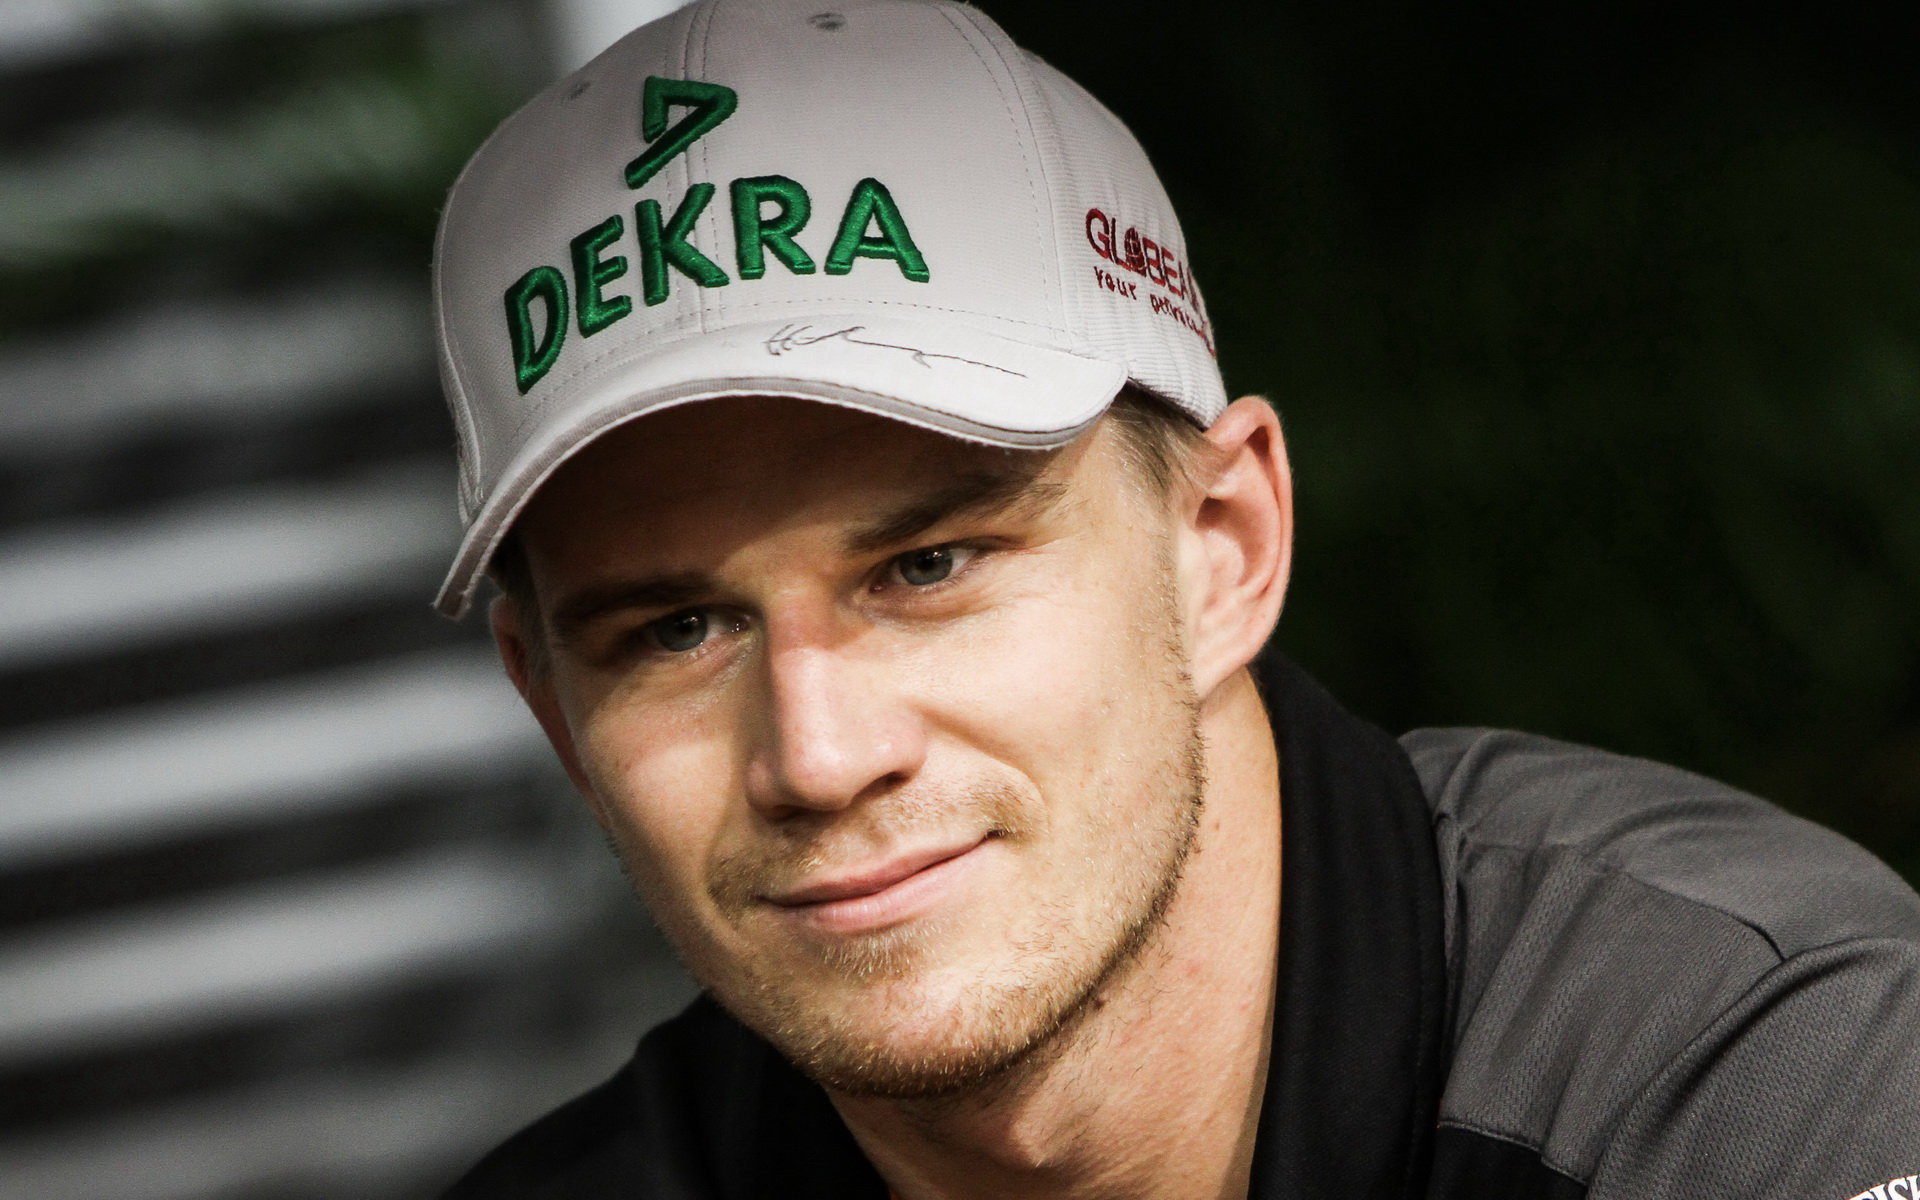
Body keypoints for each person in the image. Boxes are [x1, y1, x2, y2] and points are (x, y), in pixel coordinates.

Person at [427, 1, 1920, 1196]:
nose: (818, 755)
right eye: (676, 631)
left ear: (1225, 545)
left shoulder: (1742, 1079)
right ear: (551, 706)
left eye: (927, 566)